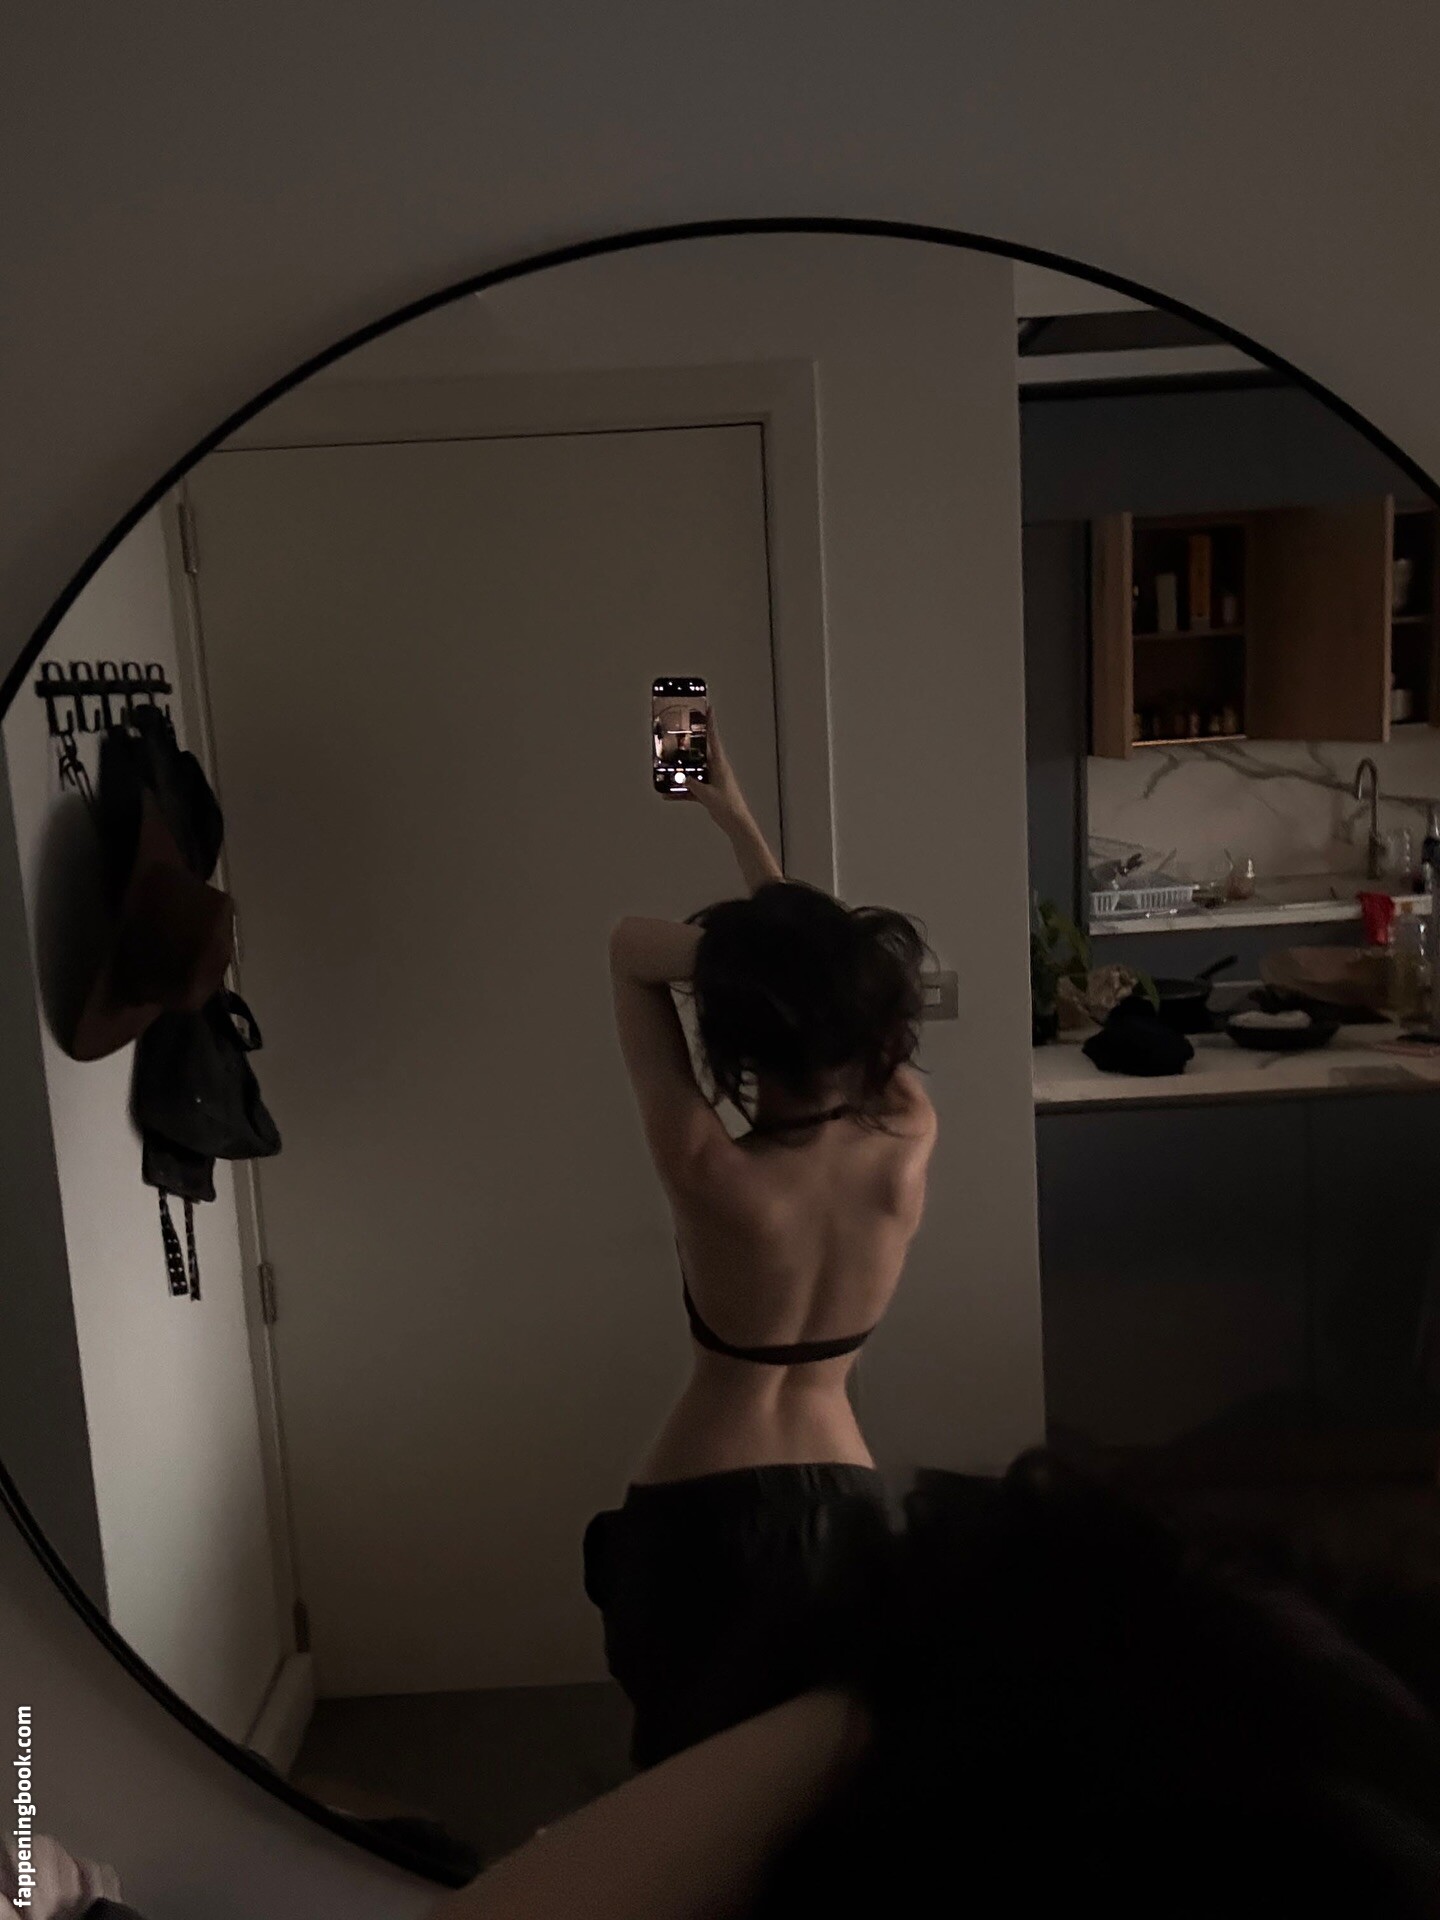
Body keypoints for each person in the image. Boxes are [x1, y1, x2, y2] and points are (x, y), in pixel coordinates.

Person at [434, 1452, 1440, 1920]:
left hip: (734, 1469)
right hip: (832, 1473)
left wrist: (921, 1671)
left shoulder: (715, 1157)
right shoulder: (901, 1130)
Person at [583, 719, 937, 1767]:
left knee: (683, 1773)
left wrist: (750, 941)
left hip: (701, 1501)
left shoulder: (709, 1170)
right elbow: (828, 994)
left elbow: (628, 947)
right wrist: (737, 824)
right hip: (847, 1501)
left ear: (740, 1043)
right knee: (818, 1785)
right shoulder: (908, 1136)